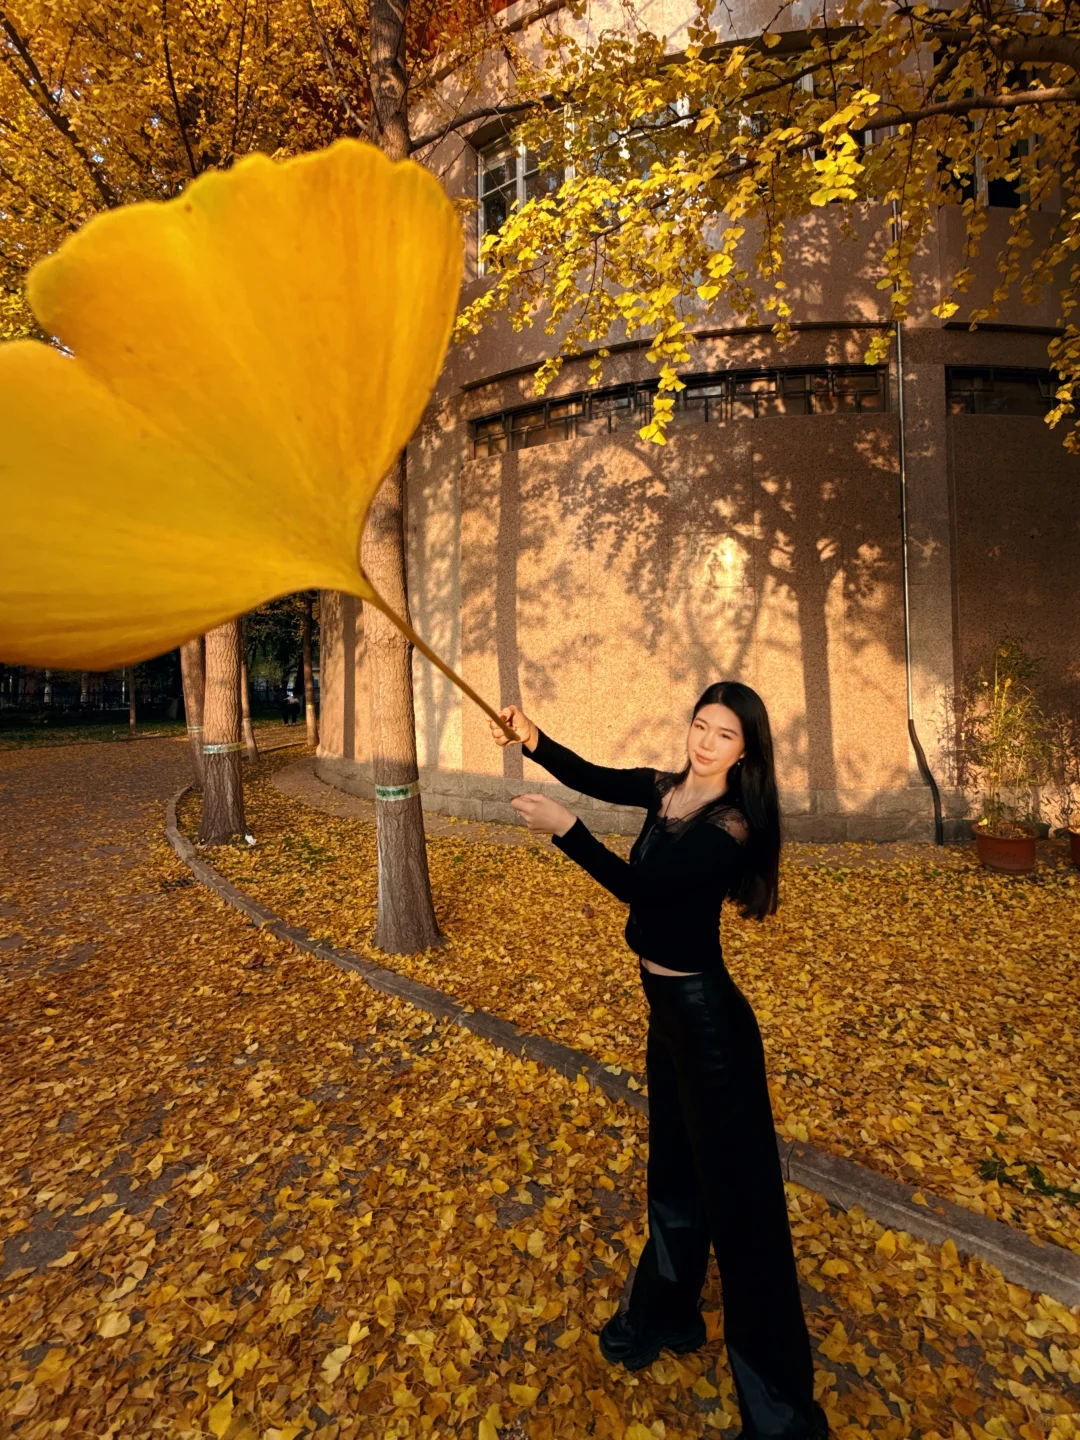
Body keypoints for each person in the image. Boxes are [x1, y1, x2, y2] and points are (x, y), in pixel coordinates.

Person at [488, 683, 828, 1440]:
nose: (705, 742)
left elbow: (642, 888)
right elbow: (594, 775)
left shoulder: (729, 828)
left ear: (747, 752)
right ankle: (669, 1313)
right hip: (667, 1017)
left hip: (712, 1028)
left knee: (743, 1213)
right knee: (674, 1173)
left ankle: (780, 1409)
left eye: (724, 736)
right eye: (700, 726)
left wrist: (565, 831)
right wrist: (533, 737)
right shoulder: (665, 790)